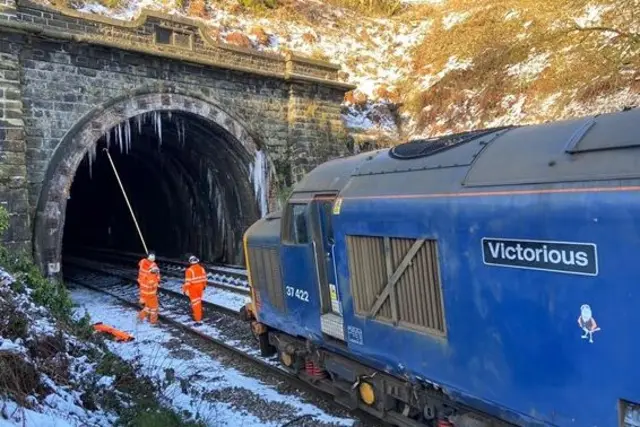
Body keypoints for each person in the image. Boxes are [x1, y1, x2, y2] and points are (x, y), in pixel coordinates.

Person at [182, 255, 207, 325]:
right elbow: (204, 279)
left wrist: (184, 289)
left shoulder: (189, 270)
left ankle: (198, 319)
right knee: (198, 302)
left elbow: (187, 282)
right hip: (200, 287)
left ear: (190, 262)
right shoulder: (202, 269)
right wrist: (204, 286)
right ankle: (197, 315)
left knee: (196, 304)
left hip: (193, 288)